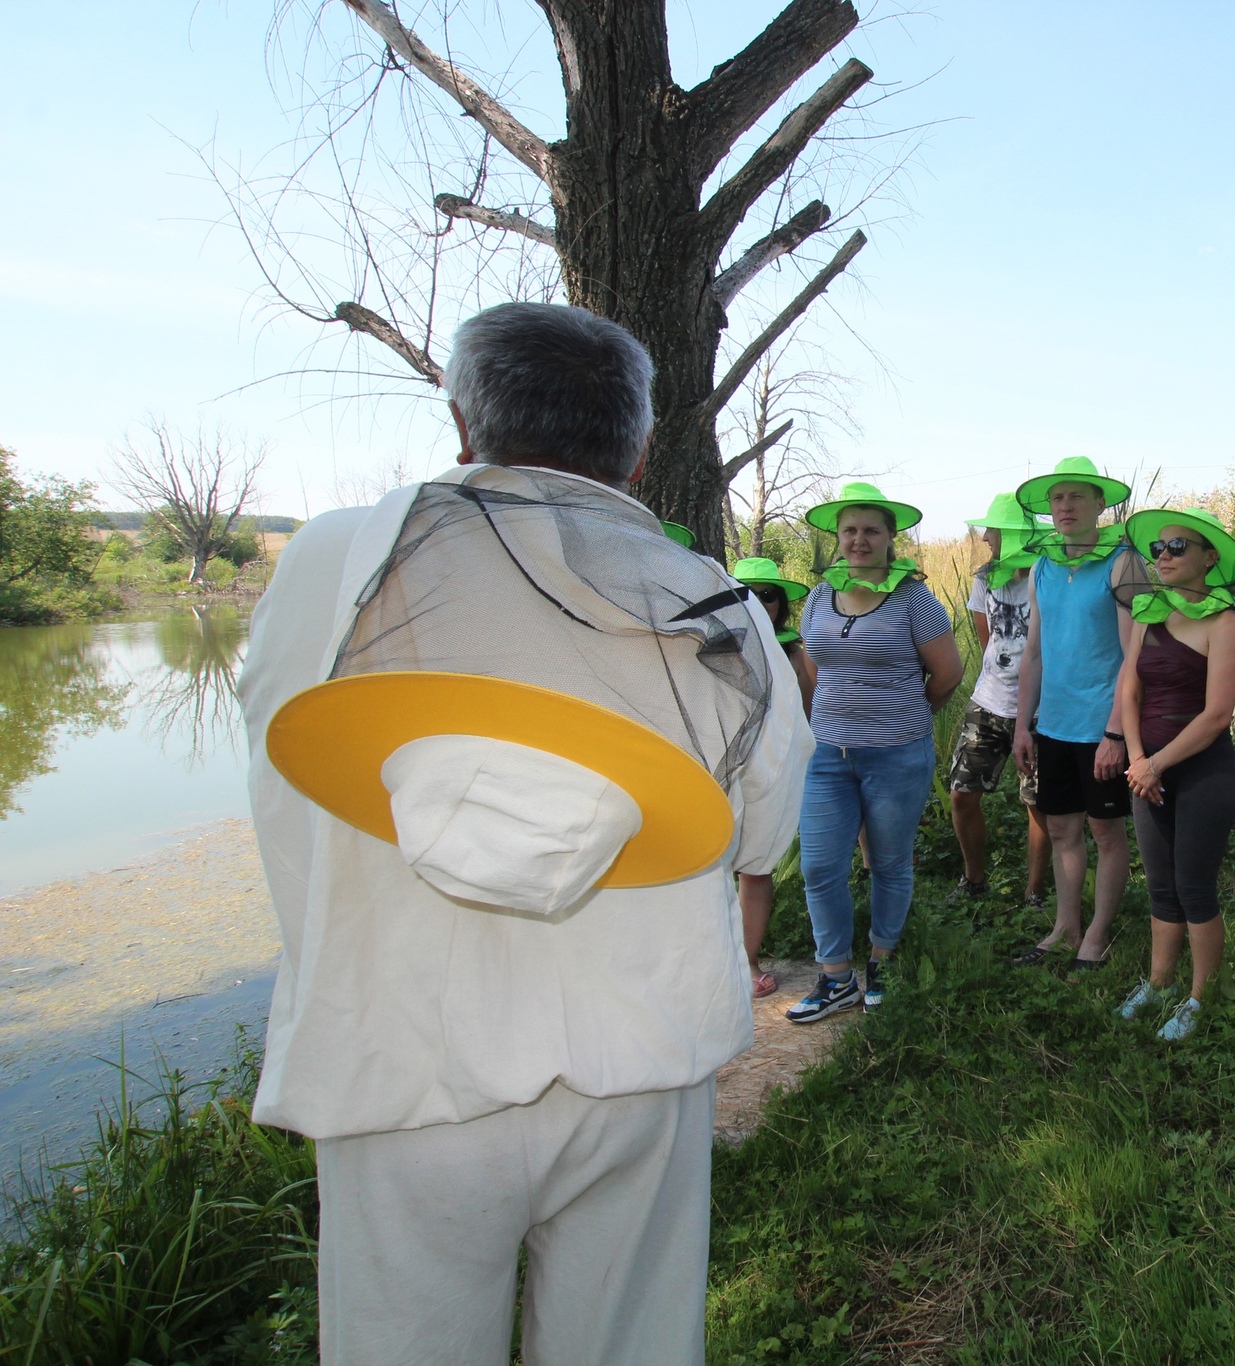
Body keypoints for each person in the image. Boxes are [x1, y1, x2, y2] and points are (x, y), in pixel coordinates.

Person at [238, 301, 812, 1364]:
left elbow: (281, 753)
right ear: (638, 451)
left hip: (398, 1051)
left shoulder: (334, 558)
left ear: (464, 421)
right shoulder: (717, 607)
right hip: (640, 1052)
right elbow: (763, 831)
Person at [786, 482, 963, 1023]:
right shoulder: (818, 597)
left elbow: (948, 673)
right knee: (819, 865)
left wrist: (907, 717)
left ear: (890, 538)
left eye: (871, 531)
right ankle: (836, 977)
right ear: (837, 539)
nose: (859, 540)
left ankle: (881, 959)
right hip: (828, 756)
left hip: (896, 756)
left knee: (888, 863)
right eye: (850, 531)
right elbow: (813, 668)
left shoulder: (914, 599)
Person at [1009, 456, 1151, 970]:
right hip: (1054, 724)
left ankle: (1097, 933)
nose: (1065, 507)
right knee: (1063, 829)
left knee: (1106, 832)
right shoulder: (1043, 566)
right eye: (1057, 498)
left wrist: (1116, 731)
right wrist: (1024, 725)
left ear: (1099, 503)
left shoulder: (1122, 562)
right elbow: (1034, 653)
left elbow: (1134, 654)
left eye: (1076, 497)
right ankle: (1066, 925)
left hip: (1102, 725)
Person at [1112, 508, 1235, 1040]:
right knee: (1161, 887)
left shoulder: (1225, 621)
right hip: (1145, 769)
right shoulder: (1147, 612)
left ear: (1208, 559)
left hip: (1201, 773)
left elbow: (1218, 714)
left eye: (1177, 547)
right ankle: (1159, 983)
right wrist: (1136, 759)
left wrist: (1155, 764)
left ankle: (1199, 996)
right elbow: (1130, 691)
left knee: (1195, 887)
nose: (1164, 556)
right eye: (1159, 549)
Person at [949, 492, 1051, 904]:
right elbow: (986, 637)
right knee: (961, 793)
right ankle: (974, 881)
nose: (987, 537)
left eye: (994, 530)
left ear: (1014, 535)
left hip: (1043, 708)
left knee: (1038, 802)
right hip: (989, 702)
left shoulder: (1046, 576)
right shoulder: (984, 579)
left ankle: (1034, 891)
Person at [731, 555, 816, 998]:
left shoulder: (795, 650)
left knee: (756, 865)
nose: (759, 603)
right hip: (719, 767)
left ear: (782, 603)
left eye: (768, 595)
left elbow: (805, 715)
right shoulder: (708, 640)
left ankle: (747, 959)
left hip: (771, 768)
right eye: (746, 593)